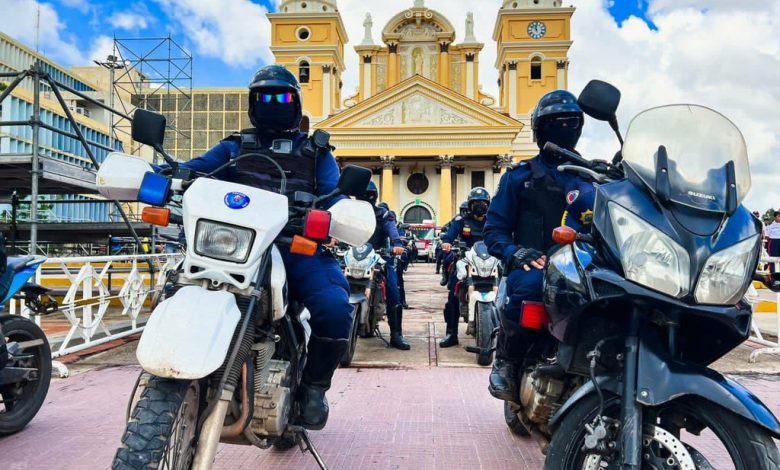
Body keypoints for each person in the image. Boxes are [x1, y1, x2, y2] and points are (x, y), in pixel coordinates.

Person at [164, 65, 352, 430]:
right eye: (264, 96)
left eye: (281, 96)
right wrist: (162, 172)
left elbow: (336, 194)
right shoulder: (234, 146)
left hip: (295, 247)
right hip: (233, 246)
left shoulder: (316, 153)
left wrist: (336, 212)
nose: (272, 103)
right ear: (252, 103)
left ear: (295, 102)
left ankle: (313, 388)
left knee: (334, 308)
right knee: (175, 286)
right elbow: (195, 169)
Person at [483, 90, 585, 401]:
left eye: (569, 122)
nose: (562, 128)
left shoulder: (593, 176)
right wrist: (515, 252)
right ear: (541, 129)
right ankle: (508, 360)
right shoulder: (520, 177)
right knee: (528, 288)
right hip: (538, 264)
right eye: (555, 122)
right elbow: (495, 229)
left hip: (587, 266)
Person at [438, 187, 492, 347]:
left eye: (483, 202)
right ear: (470, 205)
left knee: (507, 287)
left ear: (488, 204)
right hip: (466, 260)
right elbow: (449, 235)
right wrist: (446, 242)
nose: (479, 205)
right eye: (476, 203)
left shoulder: (493, 221)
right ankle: (451, 333)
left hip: (491, 260)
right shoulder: (461, 221)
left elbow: (504, 234)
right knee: (453, 292)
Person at [361, 185, 411, 350]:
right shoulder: (351, 212)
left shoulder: (383, 214)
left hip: (380, 258)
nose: (366, 198)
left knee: (393, 290)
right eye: (363, 194)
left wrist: (396, 243)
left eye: (369, 195)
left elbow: (392, 230)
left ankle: (396, 334)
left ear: (374, 196)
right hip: (354, 257)